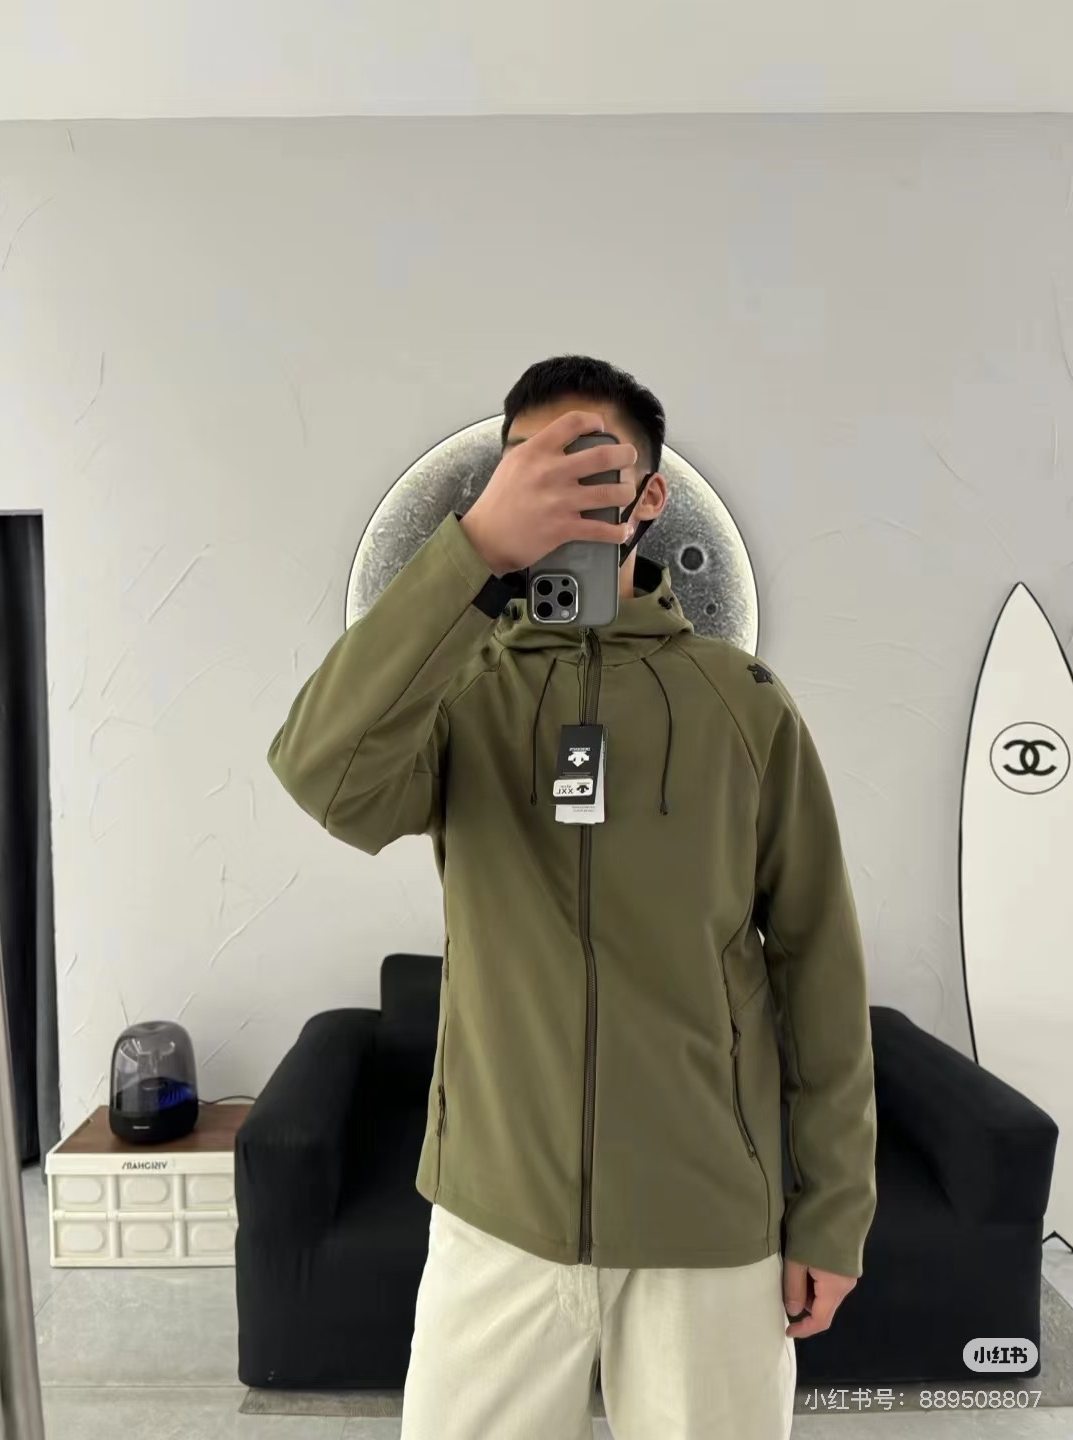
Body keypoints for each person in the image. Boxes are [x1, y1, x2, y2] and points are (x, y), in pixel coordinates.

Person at [267, 355, 878, 1440]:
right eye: (528, 464)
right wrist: (470, 555)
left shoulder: (744, 707)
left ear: (651, 495)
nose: (556, 485)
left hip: (706, 1226)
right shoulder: (464, 691)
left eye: (589, 460)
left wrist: (834, 1211)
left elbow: (818, 963)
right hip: (495, 1217)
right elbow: (326, 780)